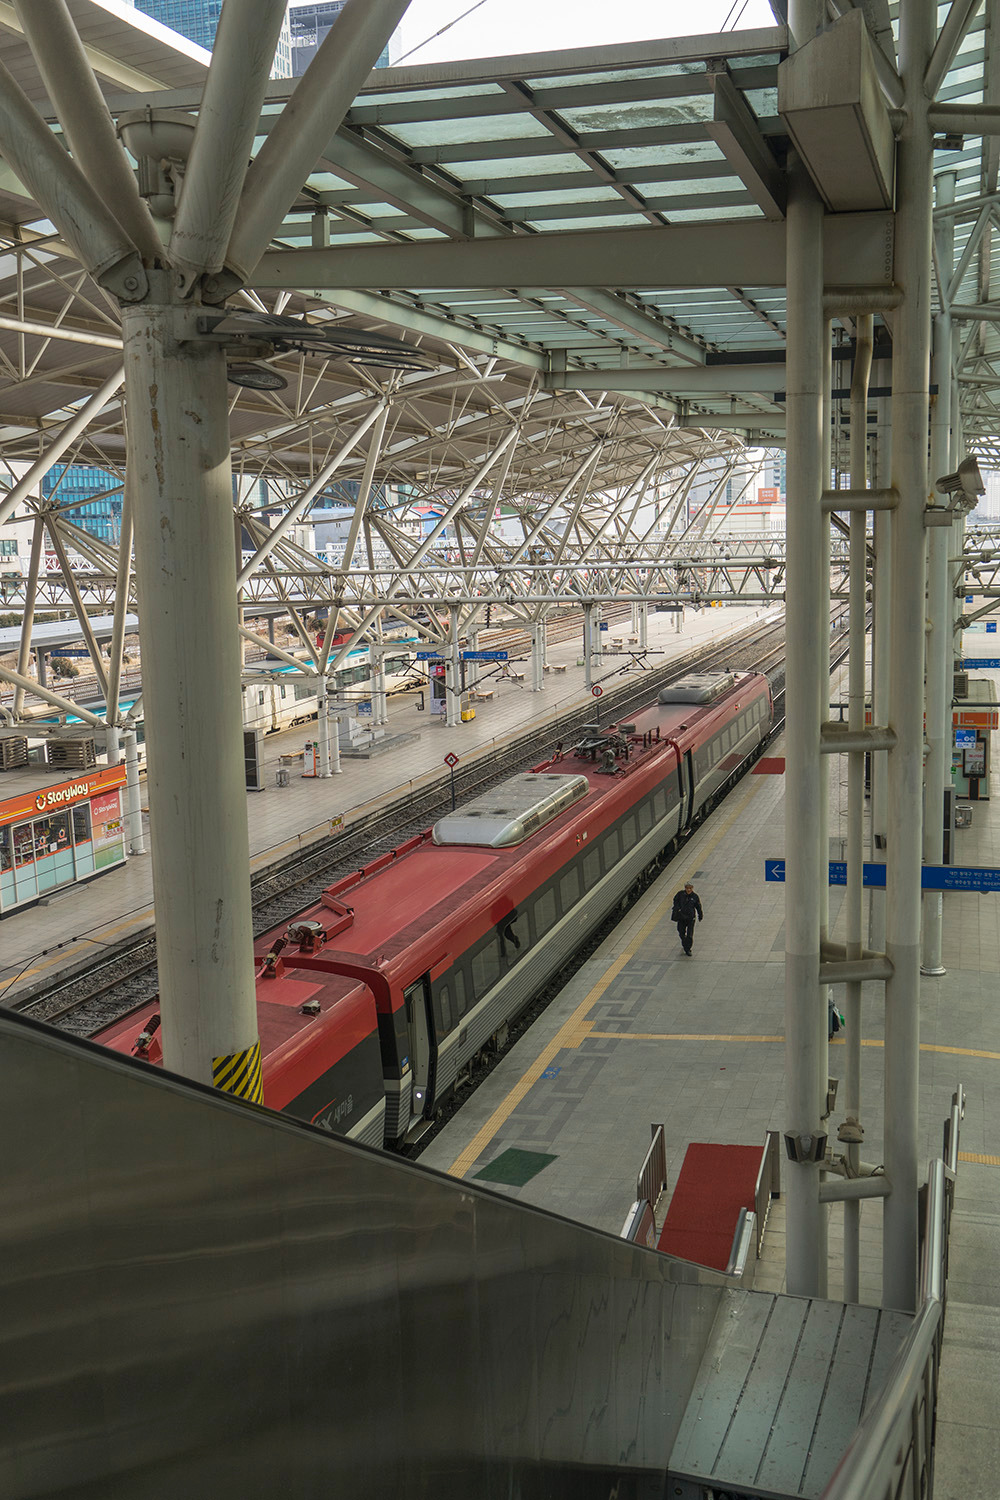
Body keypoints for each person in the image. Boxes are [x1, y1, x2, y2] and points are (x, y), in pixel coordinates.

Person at [671, 881, 703, 956]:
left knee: (690, 934)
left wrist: (700, 915)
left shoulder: (695, 897)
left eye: (690, 888)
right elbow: (675, 900)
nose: (688, 890)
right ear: (685, 888)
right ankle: (684, 942)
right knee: (680, 931)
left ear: (692, 888)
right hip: (681, 917)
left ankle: (687, 949)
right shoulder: (680, 894)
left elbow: (698, 906)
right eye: (687, 888)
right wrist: (677, 908)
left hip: (690, 918)